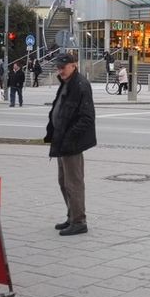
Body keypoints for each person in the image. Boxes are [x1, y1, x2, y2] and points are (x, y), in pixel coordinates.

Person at [43, 53, 96, 236]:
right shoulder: (67, 83)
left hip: (72, 143)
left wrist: (69, 137)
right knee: (63, 181)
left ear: (73, 65)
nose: (60, 70)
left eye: (62, 67)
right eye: (58, 67)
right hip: (62, 141)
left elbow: (87, 118)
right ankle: (71, 215)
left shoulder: (80, 85)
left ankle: (79, 221)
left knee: (73, 182)